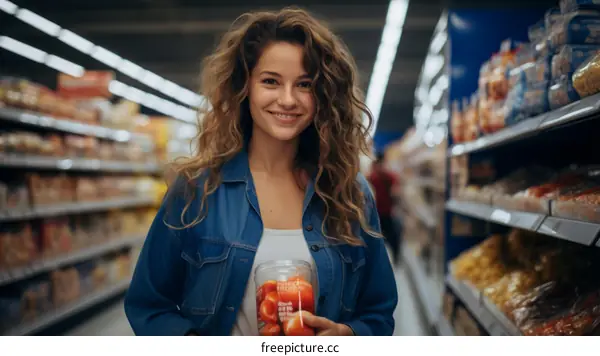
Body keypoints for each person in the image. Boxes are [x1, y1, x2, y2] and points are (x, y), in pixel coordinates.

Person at [124, 7, 398, 336]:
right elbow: (149, 305)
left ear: (322, 95)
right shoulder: (196, 190)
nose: (287, 99)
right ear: (245, 87)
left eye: (305, 84)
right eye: (270, 81)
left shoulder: (349, 194)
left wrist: (348, 336)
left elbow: (379, 312)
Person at [367, 152, 401, 265]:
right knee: (379, 239)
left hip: (385, 213)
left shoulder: (386, 177)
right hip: (377, 214)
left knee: (393, 237)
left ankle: (395, 259)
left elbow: (396, 189)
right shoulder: (373, 177)